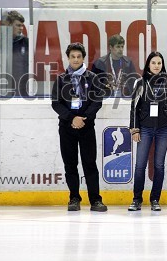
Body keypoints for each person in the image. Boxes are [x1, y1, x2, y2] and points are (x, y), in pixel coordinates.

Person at [51, 43, 107, 212]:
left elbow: (97, 101)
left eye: (79, 57)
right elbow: (56, 103)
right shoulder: (61, 79)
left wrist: (84, 118)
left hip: (87, 127)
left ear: (83, 58)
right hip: (67, 127)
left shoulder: (92, 78)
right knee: (70, 164)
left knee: (90, 163)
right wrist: (72, 118)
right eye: (72, 57)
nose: (75, 60)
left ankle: (95, 200)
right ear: (68, 58)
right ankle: (74, 198)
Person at [128, 51, 167, 211]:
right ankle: (137, 199)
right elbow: (134, 108)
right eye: (153, 63)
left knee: (159, 165)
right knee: (140, 165)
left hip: (164, 129)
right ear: (148, 65)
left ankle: (155, 199)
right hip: (145, 128)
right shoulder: (140, 83)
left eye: (159, 63)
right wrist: (135, 129)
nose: (157, 66)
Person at [0, 10, 29, 96]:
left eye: (22, 25)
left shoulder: (25, 42)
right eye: (18, 25)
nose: (21, 28)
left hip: (20, 90)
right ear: (8, 25)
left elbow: (27, 65)